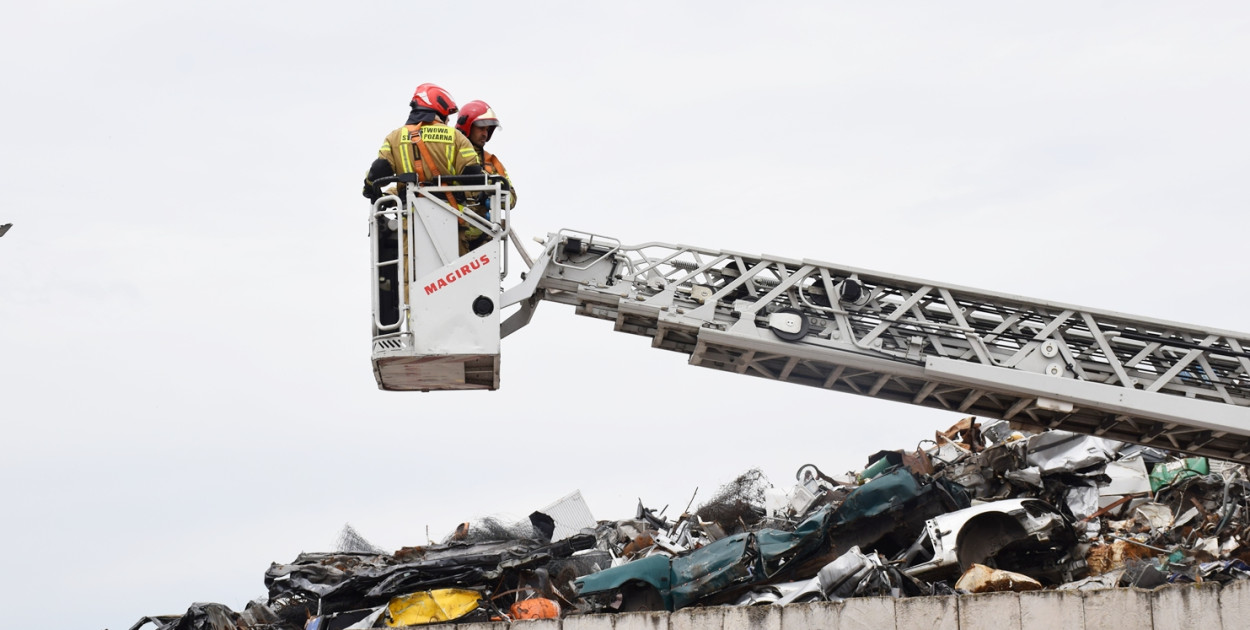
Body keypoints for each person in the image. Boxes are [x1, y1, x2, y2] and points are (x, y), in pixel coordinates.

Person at [362, 83, 482, 203]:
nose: (448, 119)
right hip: (454, 215)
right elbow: (472, 174)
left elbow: (379, 169)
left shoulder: (394, 137)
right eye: (448, 114)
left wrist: (368, 187)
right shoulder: (456, 136)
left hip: (410, 216)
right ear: (440, 108)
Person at [456, 100, 516, 252]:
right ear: (467, 127)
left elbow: (512, 200)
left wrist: (491, 194)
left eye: (488, 130)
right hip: (453, 235)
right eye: (481, 128)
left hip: (484, 239)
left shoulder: (492, 162)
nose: (485, 134)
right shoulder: (450, 156)